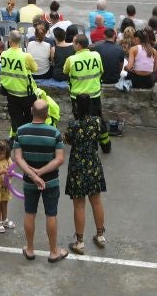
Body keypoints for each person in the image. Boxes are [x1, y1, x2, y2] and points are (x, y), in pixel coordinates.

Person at [13, 98, 67, 262]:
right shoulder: (54, 133)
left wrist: (33, 176)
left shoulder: (21, 131)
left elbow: (18, 158)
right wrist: (40, 173)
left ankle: (30, 249)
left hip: (29, 182)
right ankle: (54, 252)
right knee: (51, 214)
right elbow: (59, 159)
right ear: (47, 114)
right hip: (51, 182)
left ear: (31, 111)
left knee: (30, 213)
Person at [64, 95, 107, 254]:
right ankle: (100, 236)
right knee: (96, 202)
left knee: (79, 205)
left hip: (77, 166)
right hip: (93, 164)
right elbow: (101, 135)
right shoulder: (97, 121)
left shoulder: (73, 125)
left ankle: (80, 242)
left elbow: (67, 140)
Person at [63, 34, 111, 154]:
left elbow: (65, 71)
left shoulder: (71, 59)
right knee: (99, 120)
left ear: (79, 45)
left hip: (77, 97)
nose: (73, 45)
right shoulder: (96, 55)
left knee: (80, 122)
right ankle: (106, 146)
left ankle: (87, 146)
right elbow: (101, 71)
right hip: (94, 95)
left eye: (74, 43)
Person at [0, 31, 39, 135]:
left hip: (11, 93)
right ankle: (27, 136)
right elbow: (35, 69)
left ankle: (16, 137)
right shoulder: (26, 56)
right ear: (20, 41)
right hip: (26, 93)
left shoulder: (4, 54)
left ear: (9, 41)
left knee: (16, 119)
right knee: (29, 118)